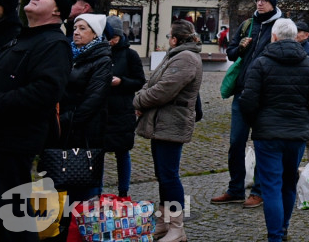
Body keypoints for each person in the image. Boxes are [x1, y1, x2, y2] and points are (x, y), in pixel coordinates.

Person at [0, 0, 72, 242]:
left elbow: (45, 91)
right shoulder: (24, 38)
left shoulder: (55, 43)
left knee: (13, 218)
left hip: (12, 142)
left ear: (56, 11)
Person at [238, 18, 309, 242]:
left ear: (274, 36)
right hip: (296, 134)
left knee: (271, 187)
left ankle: (275, 236)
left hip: (267, 135)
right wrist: (306, 122)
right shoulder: (308, 63)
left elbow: (247, 101)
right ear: (295, 36)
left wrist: (257, 121)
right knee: (288, 183)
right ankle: (283, 228)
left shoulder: (261, 63)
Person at [212, 0, 283, 208]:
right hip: (243, 92)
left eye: (264, 0)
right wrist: (240, 47)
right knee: (236, 143)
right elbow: (231, 52)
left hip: (265, 95)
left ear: (273, 3)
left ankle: (259, 191)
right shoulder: (247, 25)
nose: (259, 3)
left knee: (262, 143)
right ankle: (235, 189)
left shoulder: (279, 26)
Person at [134, 20, 204, 242]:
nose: (168, 40)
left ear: (175, 38)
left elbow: (162, 91)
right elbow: (152, 82)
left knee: (169, 175)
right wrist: (142, 97)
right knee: (163, 175)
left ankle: (177, 228)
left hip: (172, 122)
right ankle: (164, 223)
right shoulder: (176, 55)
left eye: (169, 36)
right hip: (162, 122)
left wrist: (137, 102)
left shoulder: (185, 58)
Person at [55, 13, 112, 216]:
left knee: (82, 186)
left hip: (85, 132)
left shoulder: (101, 60)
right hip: (67, 129)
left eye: (82, 29)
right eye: (75, 28)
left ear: (95, 34)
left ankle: (81, 229)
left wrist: (66, 121)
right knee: (64, 183)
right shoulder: (72, 55)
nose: (76, 33)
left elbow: (94, 99)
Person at [102, 15, 146, 198]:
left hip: (121, 110)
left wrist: (121, 82)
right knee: (98, 154)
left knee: (122, 153)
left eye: (113, 38)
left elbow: (139, 81)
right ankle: (97, 192)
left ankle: (123, 192)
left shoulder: (130, 54)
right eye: (108, 37)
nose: (110, 41)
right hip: (101, 110)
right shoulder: (100, 51)